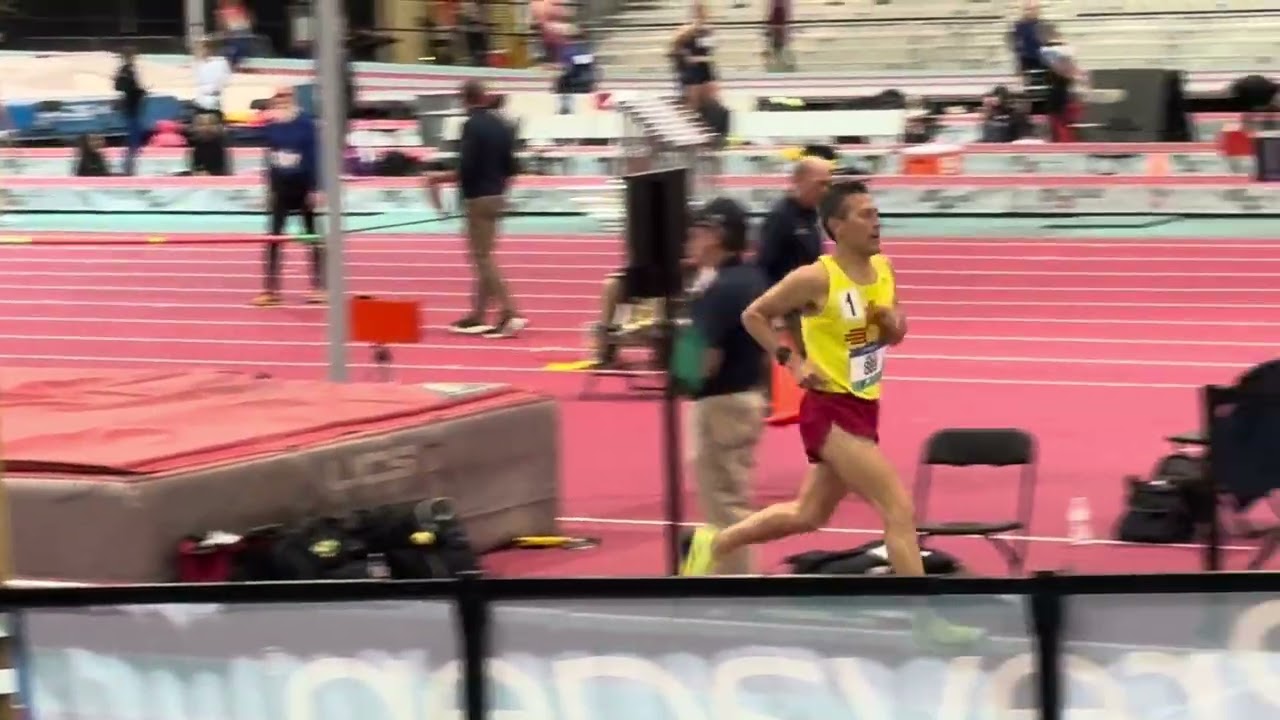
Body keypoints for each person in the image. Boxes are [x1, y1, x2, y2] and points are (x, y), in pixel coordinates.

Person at [680, 182, 980, 643]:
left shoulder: (883, 268)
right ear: (836, 227)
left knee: (807, 513)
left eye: (877, 213)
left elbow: (895, 332)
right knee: (897, 508)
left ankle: (715, 542)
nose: (876, 222)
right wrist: (793, 362)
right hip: (829, 408)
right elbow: (755, 316)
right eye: (864, 215)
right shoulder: (816, 278)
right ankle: (926, 623)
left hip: (864, 405)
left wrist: (893, 325)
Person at [684, 197, 768, 574]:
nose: (689, 239)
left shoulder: (720, 289)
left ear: (716, 235)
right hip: (748, 396)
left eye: (696, 231)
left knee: (725, 503)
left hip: (721, 403)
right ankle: (719, 573)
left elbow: (704, 358)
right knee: (729, 495)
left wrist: (678, 375)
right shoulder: (752, 278)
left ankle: (737, 584)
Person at [425, 79, 525, 338]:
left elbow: (466, 169)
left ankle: (510, 313)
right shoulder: (503, 125)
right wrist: (502, 193)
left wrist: (437, 179)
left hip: (477, 199)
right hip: (497, 196)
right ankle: (478, 314)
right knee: (485, 256)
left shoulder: (471, 125)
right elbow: (512, 168)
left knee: (482, 258)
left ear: (464, 99)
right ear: (484, 96)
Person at [254, 87, 323, 307]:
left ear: (293, 98)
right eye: (278, 97)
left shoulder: (306, 123)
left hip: (303, 184)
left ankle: (319, 287)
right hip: (280, 186)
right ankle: (270, 290)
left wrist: (316, 188)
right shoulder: (272, 124)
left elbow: (314, 156)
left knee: (311, 236)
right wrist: (268, 188)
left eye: (285, 97)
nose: (281, 101)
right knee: (273, 238)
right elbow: (271, 157)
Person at [757, 155, 832, 350]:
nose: (825, 191)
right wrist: (774, 313)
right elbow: (764, 265)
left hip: (812, 305)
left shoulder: (813, 214)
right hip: (790, 310)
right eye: (820, 184)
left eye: (828, 184)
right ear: (799, 181)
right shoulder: (781, 217)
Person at [672, 2, 716, 108]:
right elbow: (675, 49)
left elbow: (709, 52)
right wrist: (685, 57)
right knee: (692, 105)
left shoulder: (707, 31)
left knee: (709, 103)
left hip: (704, 72)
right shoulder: (684, 32)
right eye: (697, 12)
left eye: (702, 12)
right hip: (691, 74)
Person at [113, 47, 146, 175]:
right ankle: (127, 168)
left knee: (135, 139)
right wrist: (137, 91)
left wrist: (140, 91)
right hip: (131, 107)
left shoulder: (130, 70)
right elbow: (120, 86)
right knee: (134, 139)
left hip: (134, 106)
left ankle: (129, 166)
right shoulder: (125, 70)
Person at [192, 36, 232, 120]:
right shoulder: (199, 64)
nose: (199, 51)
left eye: (202, 48)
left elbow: (225, 79)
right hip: (200, 100)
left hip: (213, 100)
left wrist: (214, 89)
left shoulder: (220, 62)